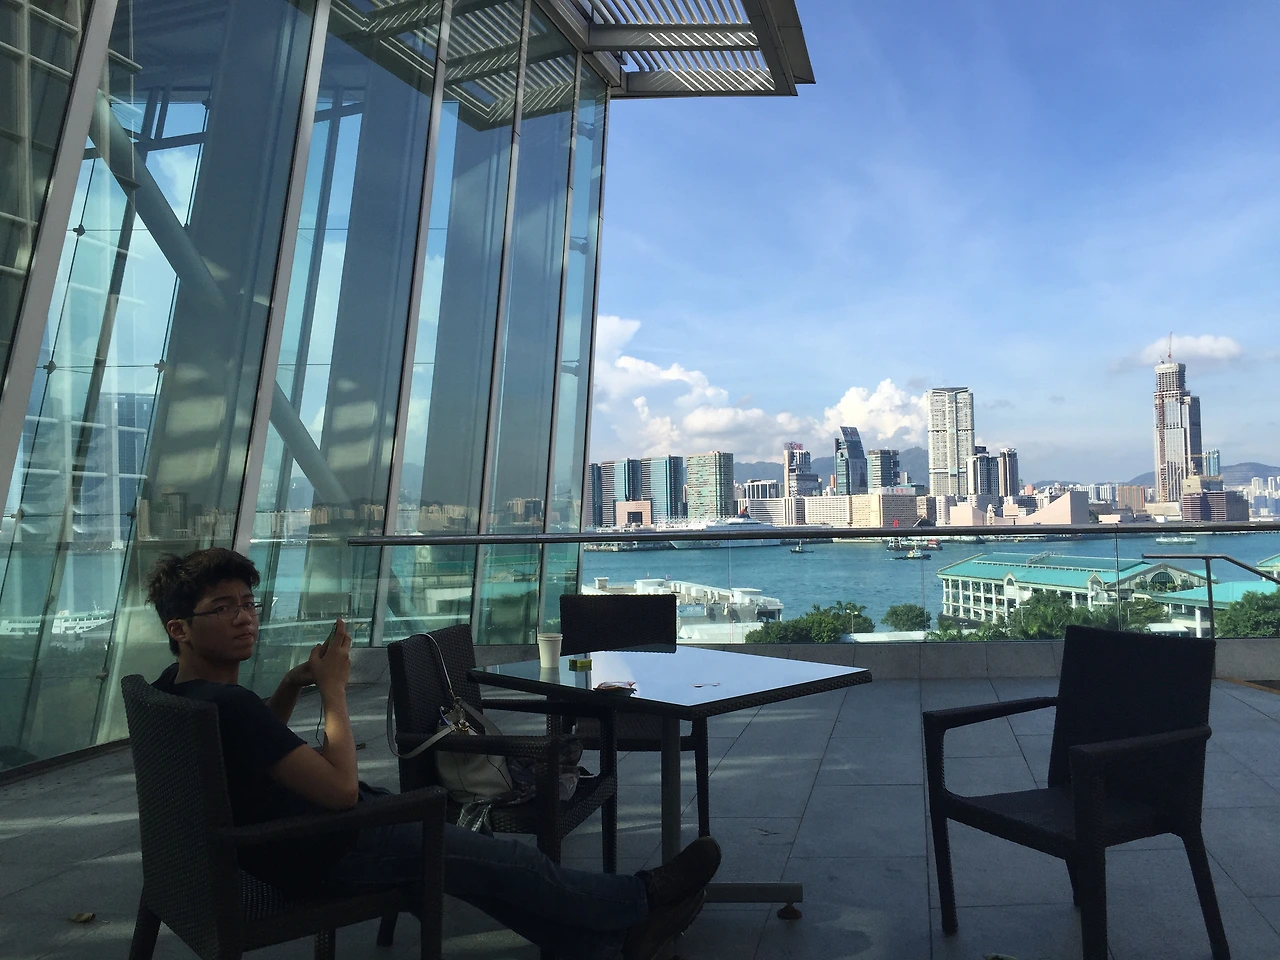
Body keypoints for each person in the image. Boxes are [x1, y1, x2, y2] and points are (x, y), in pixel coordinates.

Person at [145, 548, 720, 960]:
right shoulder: (229, 704)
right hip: (327, 848)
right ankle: (640, 899)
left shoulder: (177, 692)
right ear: (180, 628)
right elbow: (341, 791)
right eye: (223, 608)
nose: (245, 617)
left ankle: (606, 944)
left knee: (482, 873)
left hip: (281, 846)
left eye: (248, 602)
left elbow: (252, 744)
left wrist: (294, 686)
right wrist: (334, 692)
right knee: (509, 862)